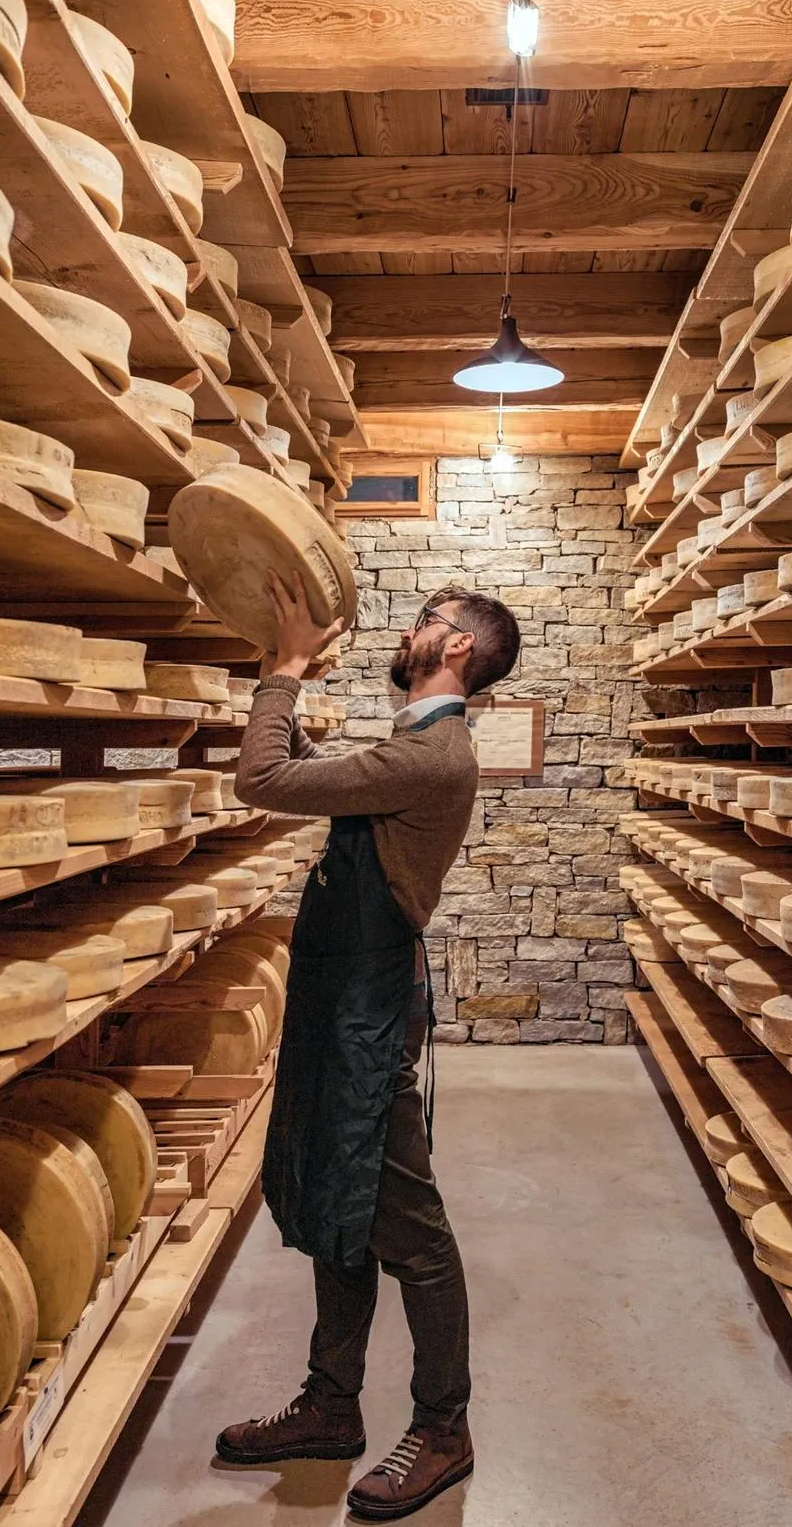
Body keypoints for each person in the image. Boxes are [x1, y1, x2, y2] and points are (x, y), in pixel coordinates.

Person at [217, 573, 521, 1521]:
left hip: (367, 1013)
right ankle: (330, 1405)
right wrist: (297, 700)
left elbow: (262, 780)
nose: (414, 628)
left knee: (413, 1234)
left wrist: (286, 668)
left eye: (430, 620)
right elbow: (318, 777)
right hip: (336, 1004)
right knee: (341, 1205)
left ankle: (443, 1427)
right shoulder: (408, 748)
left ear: (460, 648)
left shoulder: (434, 756)